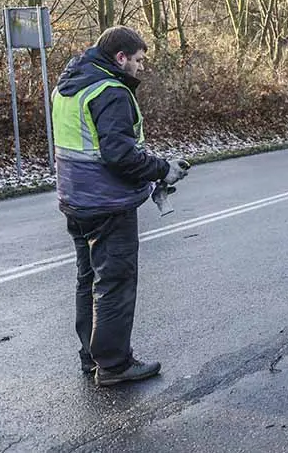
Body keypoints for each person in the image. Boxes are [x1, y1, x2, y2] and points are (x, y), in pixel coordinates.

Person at [51, 26, 189, 387]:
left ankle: (91, 356)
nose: (141, 67)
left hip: (75, 200)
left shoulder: (69, 85)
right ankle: (114, 365)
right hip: (107, 204)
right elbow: (120, 156)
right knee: (114, 282)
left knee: (88, 280)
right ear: (121, 58)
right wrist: (162, 169)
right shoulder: (110, 91)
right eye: (138, 60)